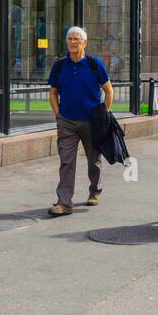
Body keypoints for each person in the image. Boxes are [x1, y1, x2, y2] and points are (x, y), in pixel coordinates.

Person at [47, 26, 114, 216]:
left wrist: (104, 114)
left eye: (77, 39)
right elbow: (52, 93)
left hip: (91, 121)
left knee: (94, 160)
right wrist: (58, 115)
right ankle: (64, 202)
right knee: (66, 161)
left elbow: (109, 91)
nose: (73, 42)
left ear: (85, 42)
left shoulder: (95, 64)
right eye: (70, 39)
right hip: (67, 121)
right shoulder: (59, 66)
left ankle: (95, 191)